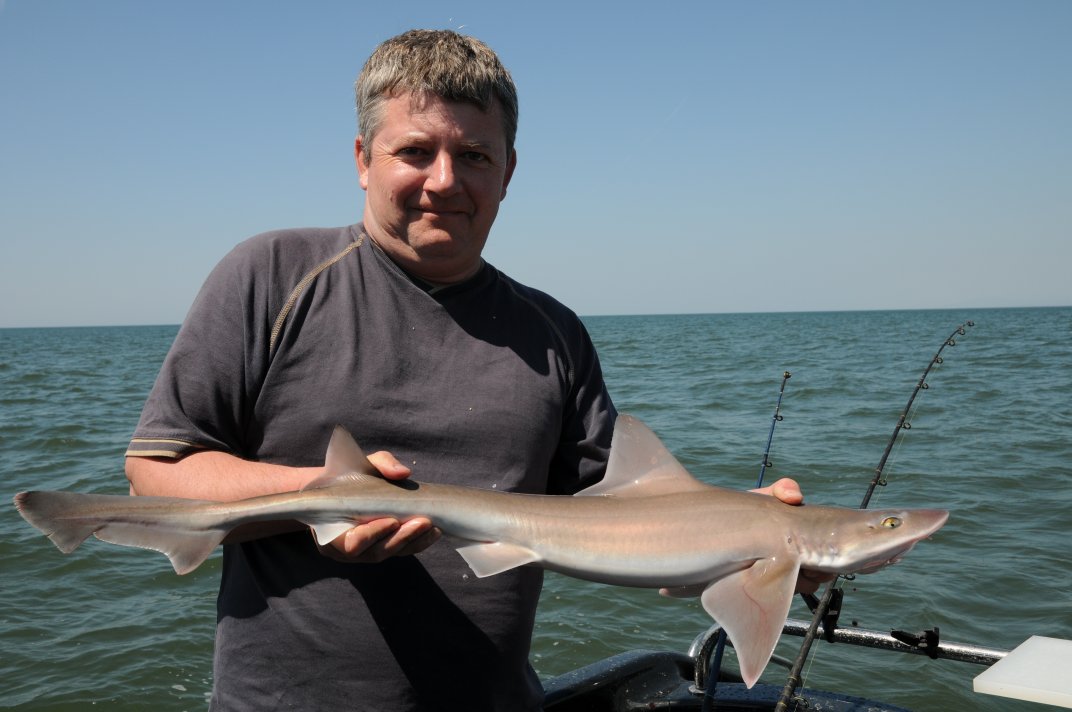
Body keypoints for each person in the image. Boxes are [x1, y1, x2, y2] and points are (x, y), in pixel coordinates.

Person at [124, 29, 821, 711]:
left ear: (509, 172)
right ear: (364, 158)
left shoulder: (553, 334)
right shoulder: (271, 277)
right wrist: (324, 494)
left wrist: (751, 536)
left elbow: (627, 528)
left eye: (475, 155)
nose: (446, 181)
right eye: (416, 151)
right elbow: (159, 472)